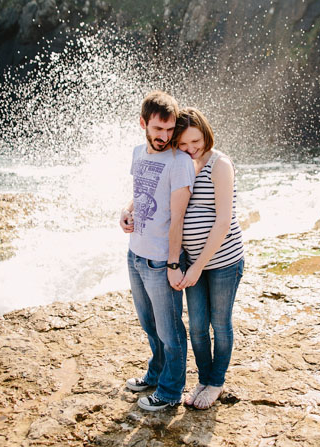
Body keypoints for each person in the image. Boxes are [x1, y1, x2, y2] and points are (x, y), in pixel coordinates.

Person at [119, 91, 195, 411]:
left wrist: (174, 263)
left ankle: (170, 390)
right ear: (143, 124)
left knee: (170, 330)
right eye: (158, 129)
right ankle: (155, 373)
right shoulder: (138, 153)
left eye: (170, 129)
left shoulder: (180, 163)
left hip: (161, 259)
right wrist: (127, 210)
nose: (164, 136)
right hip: (135, 253)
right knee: (150, 325)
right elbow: (142, 191)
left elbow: (178, 217)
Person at [173, 107, 245, 410]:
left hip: (223, 261)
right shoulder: (182, 163)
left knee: (219, 322)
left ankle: (216, 382)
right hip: (192, 261)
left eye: (195, 141)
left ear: (205, 133)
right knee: (198, 325)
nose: (190, 148)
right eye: (183, 143)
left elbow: (223, 221)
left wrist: (198, 267)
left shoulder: (220, 164)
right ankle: (203, 378)